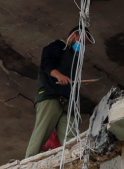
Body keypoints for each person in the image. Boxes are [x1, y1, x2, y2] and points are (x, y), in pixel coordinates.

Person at [24, 25, 95, 158]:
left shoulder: (74, 57)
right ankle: (28, 161)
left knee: (71, 136)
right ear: (73, 35)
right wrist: (59, 76)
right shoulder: (57, 46)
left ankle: (76, 160)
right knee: (42, 131)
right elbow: (47, 64)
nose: (82, 46)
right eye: (82, 42)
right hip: (51, 95)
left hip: (67, 100)